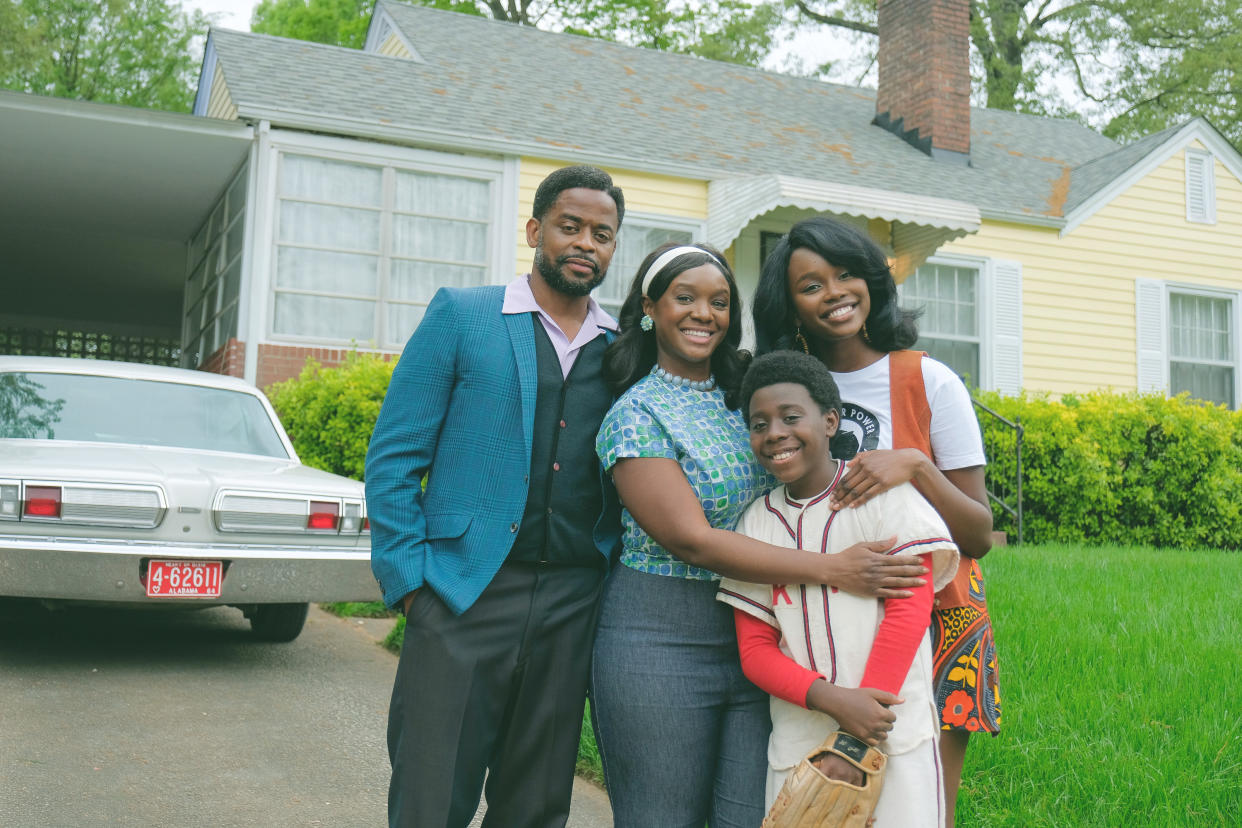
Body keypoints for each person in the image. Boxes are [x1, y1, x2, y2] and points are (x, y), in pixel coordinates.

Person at [591, 243, 931, 827]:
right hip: (661, 636)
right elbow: (692, 540)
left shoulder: (747, 395)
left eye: (719, 302)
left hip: (772, 633)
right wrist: (834, 569)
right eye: (685, 298)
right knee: (661, 817)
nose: (705, 313)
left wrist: (909, 461)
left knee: (756, 813)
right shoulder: (635, 413)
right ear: (650, 308)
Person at [365, 165, 627, 828]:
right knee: (430, 798)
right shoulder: (465, 315)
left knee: (535, 804)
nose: (584, 243)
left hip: (572, 601)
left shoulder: (624, 349)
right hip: (462, 592)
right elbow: (394, 459)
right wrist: (409, 583)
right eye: (570, 226)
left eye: (602, 234)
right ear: (536, 230)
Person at [753, 216, 1001, 826]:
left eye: (846, 274)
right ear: (789, 304)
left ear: (871, 279)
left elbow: (976, 534)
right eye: (810, 285)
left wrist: (915, 465)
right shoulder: (778, 392)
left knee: (919, 802)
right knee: (820, 802)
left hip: (933, 609)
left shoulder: (927, 380)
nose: (834, 292)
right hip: (818, 620)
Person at [718, 351, 959, 826]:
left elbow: (909, 612)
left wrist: (857, 735)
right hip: (800, 741)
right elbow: (755, 651)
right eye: (758, 424)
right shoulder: (755, 523)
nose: (774, 434)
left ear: (830, 421)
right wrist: (834, 702)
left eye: (791, 417)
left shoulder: (884, 494)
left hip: (893, 736)